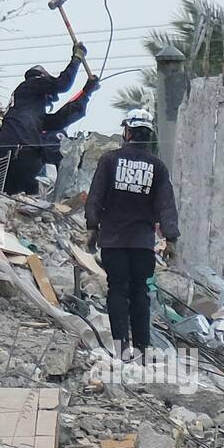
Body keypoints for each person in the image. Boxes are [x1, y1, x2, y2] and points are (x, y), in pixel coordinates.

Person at [85, 107, 180, 360]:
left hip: (113, 241)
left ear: (127, 132)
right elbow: (166, 205)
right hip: (142, 244)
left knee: (117, 290)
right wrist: (170, 239)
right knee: (140, 293)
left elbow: (95, 197)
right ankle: (142, 351)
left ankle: (120, 350)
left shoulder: (109, 160)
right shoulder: (157, 167)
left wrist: (92, 228)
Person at [0, 45, 100, 195]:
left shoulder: (29, 109)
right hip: (18, 151)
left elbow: (59, 120)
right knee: (22, 194)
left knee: (11, 196)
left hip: (10, 152)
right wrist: (77, 59)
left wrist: (86, 94)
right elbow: (61, 85)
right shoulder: (31, 84)